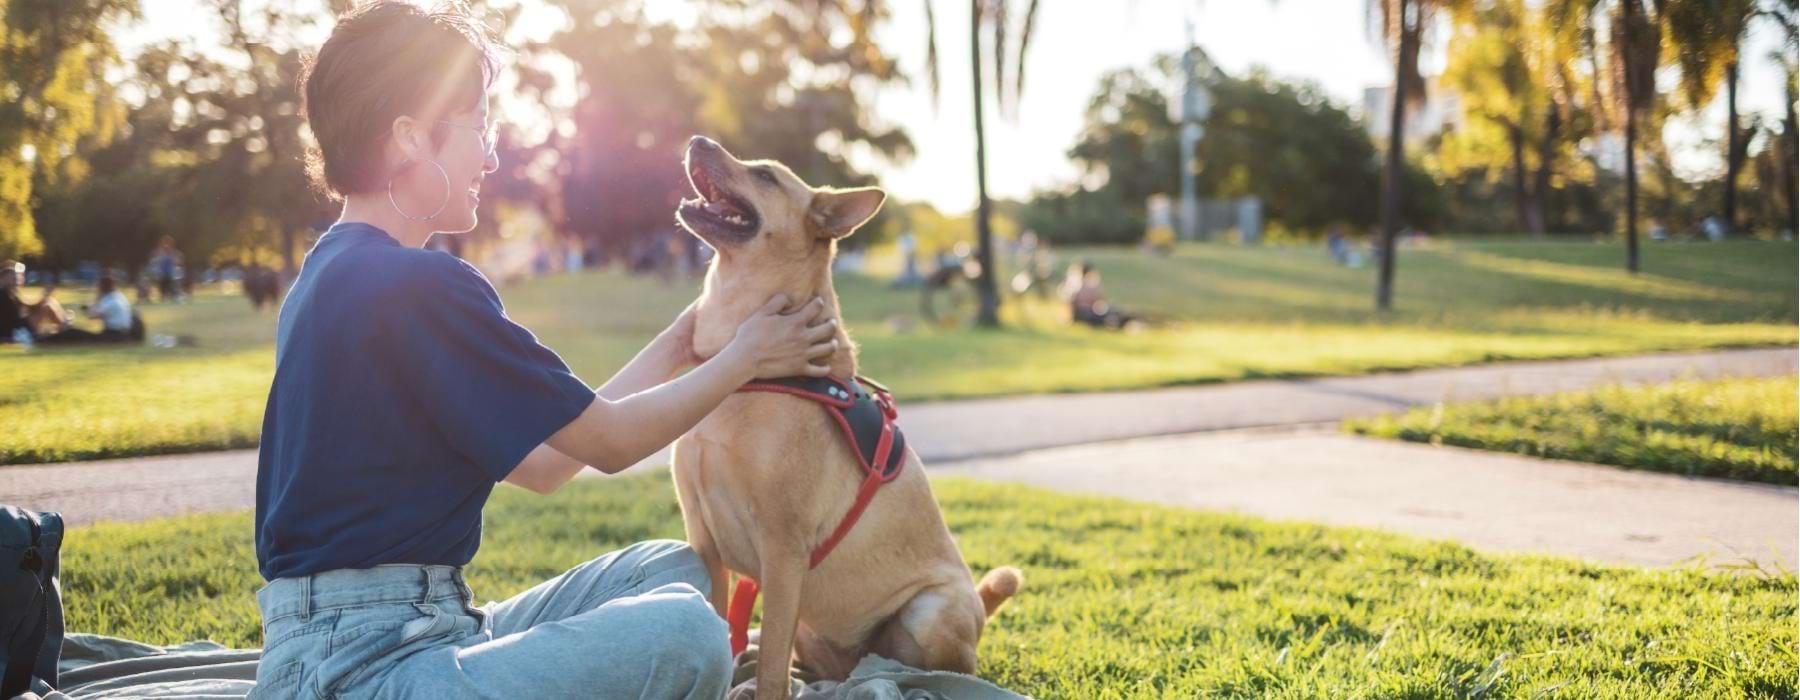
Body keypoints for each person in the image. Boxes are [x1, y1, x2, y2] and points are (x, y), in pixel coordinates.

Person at [251, 4, 838, 698]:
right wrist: (744, 357)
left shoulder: (333, 273)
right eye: (479, 127)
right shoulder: (419, 285)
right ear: (411, 139)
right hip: (373, 668)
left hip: (396, 631)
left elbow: (549, 461)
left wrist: (686, 339)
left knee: (670, 568)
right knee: (690, 635)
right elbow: (614, 445)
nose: (492, 155)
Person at [36, 274, 135, 345]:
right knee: (75, 332)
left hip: (113, 336)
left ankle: (42, 340)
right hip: (119, 334)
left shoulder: (110, 302)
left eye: (98, 287)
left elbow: (91, 316)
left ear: (102, 288)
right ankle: (46, 338)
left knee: (73, 332)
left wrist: (95, 300)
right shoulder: (117, 296)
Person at [1062, 261, 1137, 330]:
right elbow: (1070, 307)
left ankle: (1127, 321)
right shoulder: (1074, 287)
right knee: (1106, 317)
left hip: (1093, 312)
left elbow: (1099, 300)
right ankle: (1121, 323)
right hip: (1086, 315)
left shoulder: (1090, 286)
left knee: (1111, 312)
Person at [148, 236, 185, 303]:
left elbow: (179, 261)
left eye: (168, 243)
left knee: (174, 284)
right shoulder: (158, 253)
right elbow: (153, 261)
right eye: (165, 243)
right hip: (162, 275)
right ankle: (164, 296)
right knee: (163, 287)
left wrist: (175, 260)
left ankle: (176, 296)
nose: (166, 245)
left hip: (172, 275)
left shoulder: (175, 253)